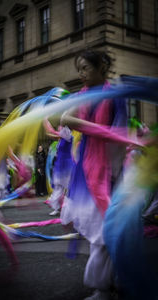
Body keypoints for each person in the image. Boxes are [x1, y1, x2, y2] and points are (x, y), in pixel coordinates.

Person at [60, 49, 130, 300]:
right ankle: (114, 280)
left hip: (108, 172)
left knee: (105, 231)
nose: (80, 73)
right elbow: (67, 118)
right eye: (78, 68)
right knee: (101, 229)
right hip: (87, 171)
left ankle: (104, 286)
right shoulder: (81, 96)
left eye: (85, 68)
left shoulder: (115, 96)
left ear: (101, 66)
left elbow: (119, 136)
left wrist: (113, 171)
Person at [43, 118, 74, 216]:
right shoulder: (60, 139)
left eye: (61, 128)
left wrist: (45, 120)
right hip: (59, 165)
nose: (59, 129)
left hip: (67, 166)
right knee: (58, 187)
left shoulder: (68, 136)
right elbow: (49, 133)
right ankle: (56, 208)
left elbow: (52, 131)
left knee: (68, 187)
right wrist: (45, 121)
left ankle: (70, 208)